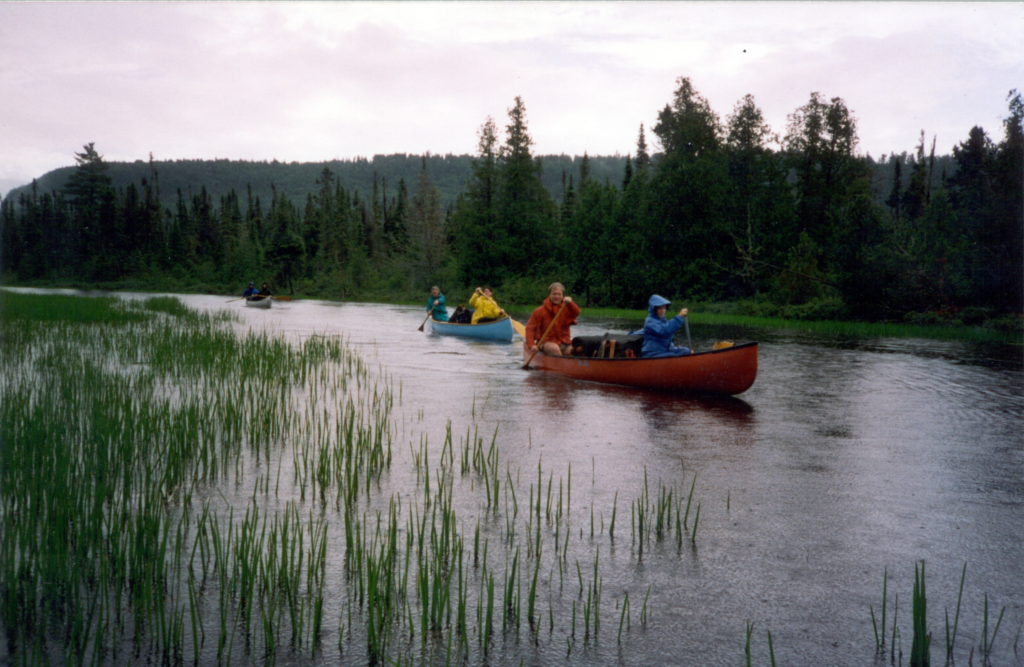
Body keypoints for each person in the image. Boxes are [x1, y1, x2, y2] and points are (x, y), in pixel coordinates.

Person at [525, 282, 581, 356]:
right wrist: (531, 345)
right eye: (554, 294)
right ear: (549, 295)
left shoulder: (567, 308)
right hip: (546, 343)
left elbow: (576, 312)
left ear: (563, 296)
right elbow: (530, 329)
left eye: (559, 294)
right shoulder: (539, 311)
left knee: (579, 349)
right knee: (554, 349)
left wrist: (571, 303)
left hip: (564, 342)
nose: (556, 296)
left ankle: (568, 364)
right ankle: (562, 365)